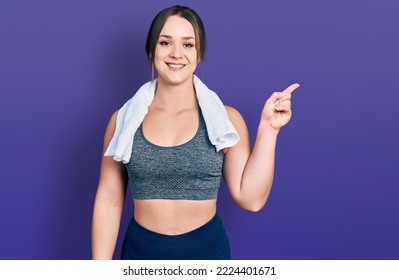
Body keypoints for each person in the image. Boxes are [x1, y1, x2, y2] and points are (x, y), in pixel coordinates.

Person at [91, 5, 300, 260]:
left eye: (188, 45)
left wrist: (269, 129)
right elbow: (110, 200)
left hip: (207, 253)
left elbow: (251, 199)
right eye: (165, 43)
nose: (176, 53)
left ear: (199, 53)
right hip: (140, 253)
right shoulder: (122, 121)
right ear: (151, 49)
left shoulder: (226, 120)